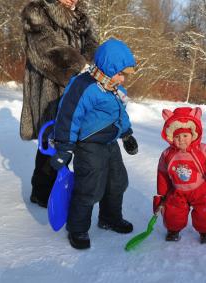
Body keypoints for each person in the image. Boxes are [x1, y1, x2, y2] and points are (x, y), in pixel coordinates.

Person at [50, 38, 138, 250]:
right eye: (120, 74)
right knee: (90, 187)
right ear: (109, 68)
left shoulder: (114, 89)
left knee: (117, 182)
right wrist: (65, 147)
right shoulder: (85, 86)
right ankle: (78, 228)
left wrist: (126, 135)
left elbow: (119, 114)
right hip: (88, 146)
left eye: (125, 75)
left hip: (109, 143)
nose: (123, 79)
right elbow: (68, 116)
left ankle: (109, 218)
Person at [20, 0, 98, 208]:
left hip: (78, 92)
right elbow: (46, 50)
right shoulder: (37, 12)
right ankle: (42, 192)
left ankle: (66, 189)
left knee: (73, 141)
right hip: (50, 91)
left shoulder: (81, 16)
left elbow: (93, 46)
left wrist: (94, 67)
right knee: (51, 143)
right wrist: (80, 69)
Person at [154, 107, 206, 244]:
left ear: (193, 134)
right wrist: (162, 194)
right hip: (178, 190)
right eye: (177, 137)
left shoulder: (203, 150)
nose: (181, 140)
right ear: (172, 138)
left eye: (185, 136)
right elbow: (162, 174)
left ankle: (205, 231)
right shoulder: (167, 154)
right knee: (173, 210)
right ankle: (173, 230)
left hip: (200, 189)